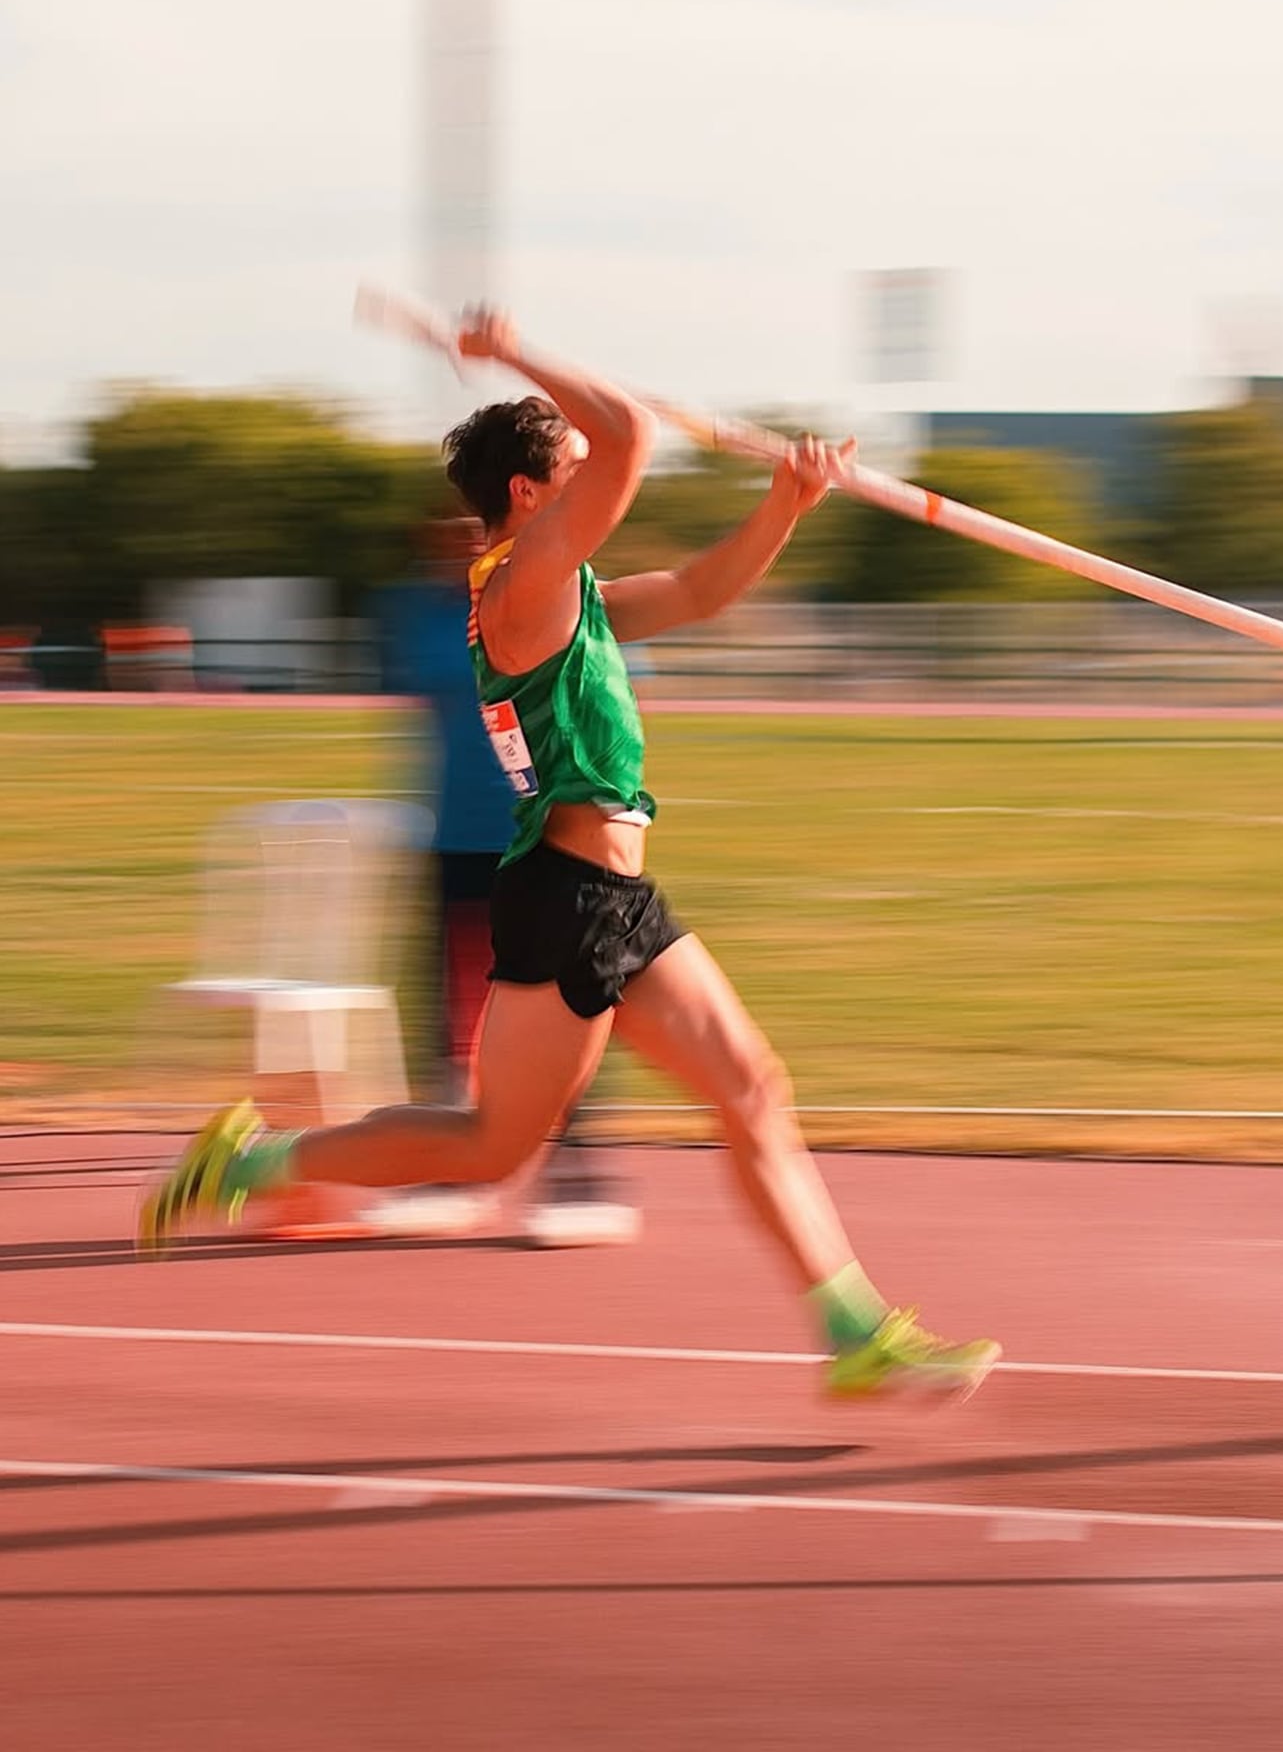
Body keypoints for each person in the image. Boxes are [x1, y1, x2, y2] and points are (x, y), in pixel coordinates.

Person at [139, 308, 1000, 1400]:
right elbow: (630, 430)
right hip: (563, 896)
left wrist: (785, 501)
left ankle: (853, 1332)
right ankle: (252, 1161)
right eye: (572, 462)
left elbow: (698, 592)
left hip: (618, 897)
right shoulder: (516, 588)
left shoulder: (570, 594)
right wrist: (514, 352)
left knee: (752, 1090)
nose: (597, 470)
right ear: (528, 493)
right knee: (491, 1146)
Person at [375, 515, 640, 1244]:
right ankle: (447, 1175)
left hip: (544, 836)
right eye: (447, 533)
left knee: (569, 1007)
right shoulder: (415, 613)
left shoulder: (553, 599)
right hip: (454, 836)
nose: (460, 543)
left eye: (474, 532)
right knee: (447, 1022)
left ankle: (579, 1175)